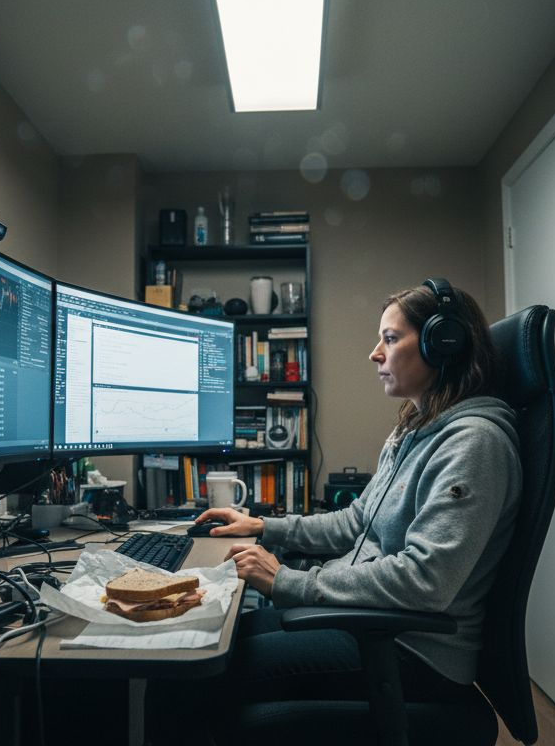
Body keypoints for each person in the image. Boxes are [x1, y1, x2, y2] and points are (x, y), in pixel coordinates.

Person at [187, 279, 523, 740]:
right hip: (371, 625)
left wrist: (288, 581)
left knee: (203, 672)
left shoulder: (473, 444)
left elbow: (426, 580)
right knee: (213, 637)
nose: (375, 354)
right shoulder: (414, 430)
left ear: (442, 345)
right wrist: (264, 526)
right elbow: (357, 521)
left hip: (413, 649)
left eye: (389, 338)